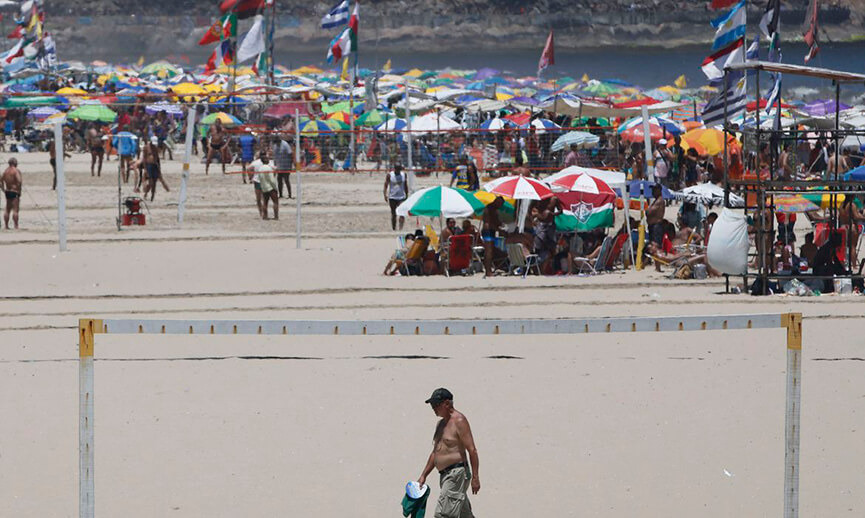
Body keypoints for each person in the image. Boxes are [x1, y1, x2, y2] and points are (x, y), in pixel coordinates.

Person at [417, 388, 479, 518]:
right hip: (445, 476)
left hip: (456, 474)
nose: (433, 408)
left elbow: (472, 450)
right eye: (432, 405)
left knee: (443, 515)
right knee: (464, 515)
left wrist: (475, 478)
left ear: (447, 403)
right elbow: (436, 452)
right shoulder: (440, 424)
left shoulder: (459, 421)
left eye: (436, 405)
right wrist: (424, 475)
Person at [482, 196, 505, 277]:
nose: (500, 206)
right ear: (496, 201)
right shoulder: (490, 208)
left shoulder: (492, 208)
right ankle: (488, 272)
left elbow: (496, 222)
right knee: (488, 252)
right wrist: (501, 230)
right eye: (500, 203)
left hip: (490, 231)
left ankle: (489, 270)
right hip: (488, 231)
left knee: (491, 251)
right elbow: (493, 222)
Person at [384, 164, 408, 231]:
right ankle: (394, 228)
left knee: (402, 213)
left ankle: (401, 228)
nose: (398, 171)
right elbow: (386, 185)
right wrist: (385, 194)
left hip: (401, 197)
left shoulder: (403, 175)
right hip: (392, 197)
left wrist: (407, 194)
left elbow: (405, 185)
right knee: (393, 214)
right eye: (397, 170)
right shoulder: (390, 175)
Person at [1, 157, 22, 229]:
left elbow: (1, 180)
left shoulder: (6, 171)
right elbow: (19, 181)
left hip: (8, 191)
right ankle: (16, 225)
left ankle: (6, 225)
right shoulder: (15, 171)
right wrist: (19, 190)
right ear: (14, 163)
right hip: (14, 191)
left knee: (7, 209)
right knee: (15, 210)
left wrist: (3, 189)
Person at [257, 153, 278, 220]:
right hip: (270, 187)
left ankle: (265, 216)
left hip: (264, 187)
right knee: (275, 202)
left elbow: (260, 178)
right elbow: (271, 179)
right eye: (267, 158)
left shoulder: (260, 169)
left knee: (265, 202)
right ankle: (276, 216)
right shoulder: (269, 168)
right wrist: (275, 187)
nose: (268, 159)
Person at [142, 136, 163, 202]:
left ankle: (152, 196)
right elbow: (144, 158)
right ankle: (146, 192)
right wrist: (145, 168)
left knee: (154, 182)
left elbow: (157, 158)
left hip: (155, 165)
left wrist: (159, 168)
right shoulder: (146, 147)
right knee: (151, 182)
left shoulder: (156, 148)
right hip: (149, 166)